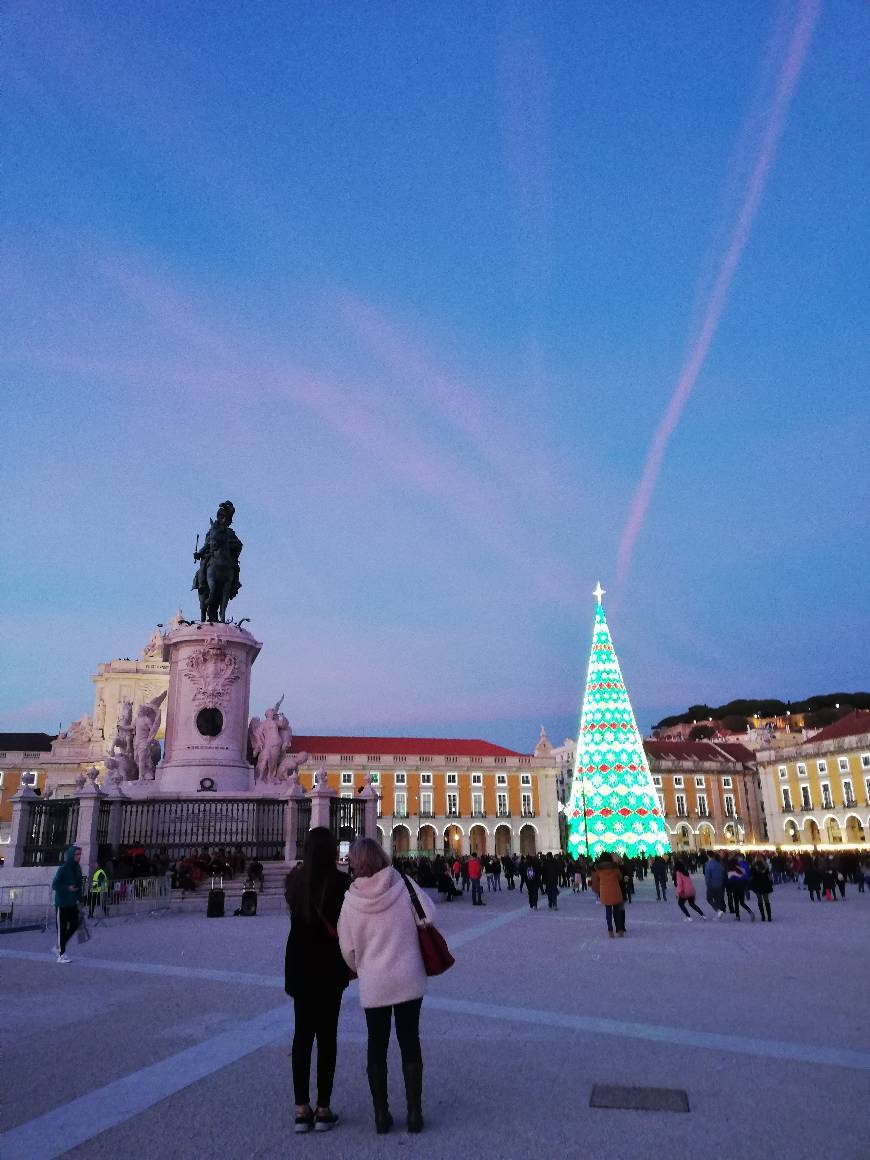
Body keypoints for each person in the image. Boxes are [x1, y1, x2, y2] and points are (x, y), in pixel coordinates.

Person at [338, 838, 435, 1135]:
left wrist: (365, 965)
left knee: (376, 1045)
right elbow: (429, 915)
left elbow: (347, 950)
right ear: (381, 856)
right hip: (408, 977)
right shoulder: (403, 883)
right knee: (409, 1041)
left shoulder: (351, 899)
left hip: (375, 983)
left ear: (355, 862)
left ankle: (381, 1115)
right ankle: (415, 1113)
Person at [284, 827, 350, 1134]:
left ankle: (301, 1110)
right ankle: (323, 1109)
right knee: (327, 1038)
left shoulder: (294, 883)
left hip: (300, 966)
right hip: (329, 968)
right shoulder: (340, 883)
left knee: (301, 1038)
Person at [51, 844, 83, 962]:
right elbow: (55, 885)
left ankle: (59, 946)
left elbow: (79, 884)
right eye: (76, 854)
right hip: (62, 904)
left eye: (80, 854)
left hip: (72, 903)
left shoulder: (78, 868)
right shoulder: (63, 868)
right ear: (71, 855)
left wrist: (80, 898)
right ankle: (61, 954)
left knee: (75, 925)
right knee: (62, 928)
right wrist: (67, 888)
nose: (79, 856)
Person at [589, 852, 626, 937]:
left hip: (605, 892)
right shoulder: (614, 867)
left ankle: (610, 931)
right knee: (617, 911)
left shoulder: (599, 869)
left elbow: (597, 878)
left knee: (608, 912)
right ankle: (620, 929)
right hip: (615, 890)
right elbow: (620, 877)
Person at [703, 852, 727, 919]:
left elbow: (707, 875)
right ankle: (719, 913)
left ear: (707, 856)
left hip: (711, 884)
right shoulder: (719, 864)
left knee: (709, 898)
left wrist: (707, 884)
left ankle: (718, 911)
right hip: (720, 884)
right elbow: (723, 873)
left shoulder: (708, 864)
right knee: (718, 899)